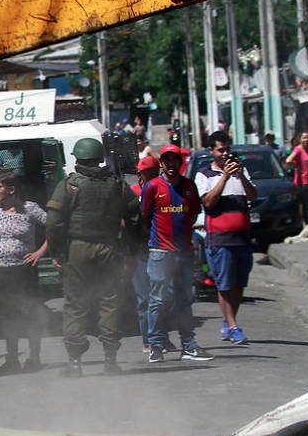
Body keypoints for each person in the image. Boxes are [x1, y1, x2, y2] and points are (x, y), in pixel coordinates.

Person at [46, 138, 140, 377]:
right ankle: (111, 360)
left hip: (79, 250)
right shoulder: (116, 185)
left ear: (77, 159)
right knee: (110, 302)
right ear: (100, 158)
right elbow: (135, 216)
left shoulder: (69, 185)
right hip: (110, 249)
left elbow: (54, 221)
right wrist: (132, 250)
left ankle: (75, 363)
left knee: (76, 304)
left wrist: (57, 252)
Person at [140, 145, 214, 363]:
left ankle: (188, 345)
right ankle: (156, 345)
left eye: (175, 159)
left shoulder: (189, 187)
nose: (171, 163)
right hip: (160, 253)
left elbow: (192, 216)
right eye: (167, 160)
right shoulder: (152, 187)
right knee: (157, 300)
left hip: (184, 252)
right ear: (161, 163)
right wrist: (158, 241)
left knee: (184, 299)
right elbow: (145, 218)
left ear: (180, 163)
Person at [0, 172, 48, 374]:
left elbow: (53, 226)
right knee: (9, 315)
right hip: (2, 271)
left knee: (30, 312)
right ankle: (12, 359)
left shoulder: (29, 208)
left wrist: (40, 252)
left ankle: (34, 358)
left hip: (25, 270)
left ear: (11, 189)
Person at [196, 131, 257, 345]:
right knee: (224, 285)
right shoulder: (204, 175)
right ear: (211, 151)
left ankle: (229, 321)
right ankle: (233, 326)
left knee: (239, 285)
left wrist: (239, 175)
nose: (225, 153)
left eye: (227, 149)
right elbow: (209, 203)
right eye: (220, 150)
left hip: (242, 238)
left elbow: (253, 196)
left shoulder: (242, 171)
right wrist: (224, 177)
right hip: (220, 240)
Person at [130, 156, 162, 352]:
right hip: (140, 252)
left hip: (161, 250)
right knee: (144, 299)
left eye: (154, 173)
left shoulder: (163, 190)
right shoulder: (132, 194)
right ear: (139, 175)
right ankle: (148, 340)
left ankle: (160, 337)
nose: (151, 177)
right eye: (147, 174)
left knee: (163, 298)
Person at [285, 131, 308, 225]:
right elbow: (288, 160)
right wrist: (297, 167)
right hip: (303, 182)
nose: (306, 140)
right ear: (300, 139)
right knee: (306, 204)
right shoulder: (298, 149)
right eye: (304, 138)